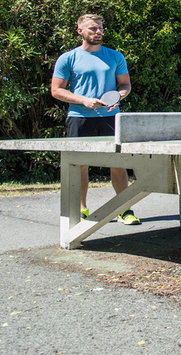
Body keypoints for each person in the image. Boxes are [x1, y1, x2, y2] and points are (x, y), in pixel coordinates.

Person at [51, 14, 140, 225]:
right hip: (79, 118)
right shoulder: (68, 58)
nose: (98, 32)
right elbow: (56, 90)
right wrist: (83, 101)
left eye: (100, 28)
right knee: (80, 165)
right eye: (93, 28)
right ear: (80, 31)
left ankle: (124, 209)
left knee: (118, 164)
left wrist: (119, 96)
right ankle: (81, 209)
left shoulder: (115, 56)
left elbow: (125, 85)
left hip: (111, 118)